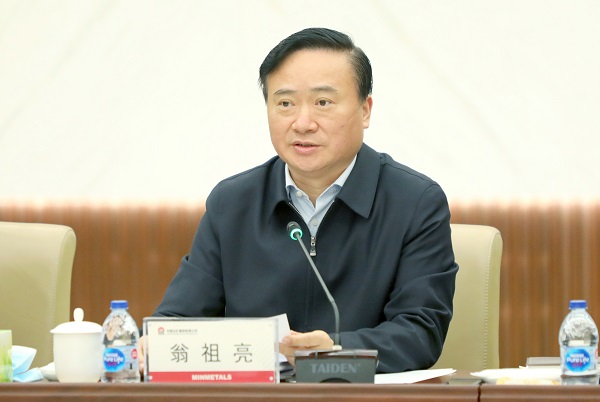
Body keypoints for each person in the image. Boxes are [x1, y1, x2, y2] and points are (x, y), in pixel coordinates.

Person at [141, 27, 458, 374]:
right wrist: (153, 344)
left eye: (323, 103)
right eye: (285, 104)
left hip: (356, 395)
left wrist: (336, 351)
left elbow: (420, 331)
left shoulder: (414, 203)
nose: (303, 123)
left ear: (365, 110)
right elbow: (179, 318)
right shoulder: (232, 204)